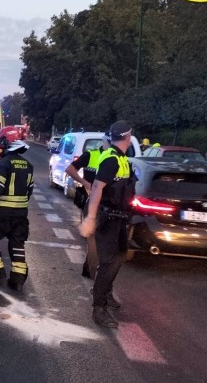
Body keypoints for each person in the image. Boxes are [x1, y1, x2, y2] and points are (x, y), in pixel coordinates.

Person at [79, 120, 136, 329]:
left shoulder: (122, 159)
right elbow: (96, 188)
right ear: (128, 137)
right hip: (108, 217)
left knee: (120, 256)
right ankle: (99, 308)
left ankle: (106, 292)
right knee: (109, 262)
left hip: (119, 216)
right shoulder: (111, 159)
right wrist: (90, 218)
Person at [0, 127, 33, 291]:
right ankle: (17, 280)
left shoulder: (3, 163)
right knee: (17, 243)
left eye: (1, 142)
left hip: (2, 212)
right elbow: (29, 190)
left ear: (6, 142)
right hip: (21, 213)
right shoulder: (28, 165)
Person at [64, 136, 109, 279]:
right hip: (93, 202)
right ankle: (92, 272)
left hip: (107, 203)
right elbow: (70, 169)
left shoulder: (118, 158)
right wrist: (85, 183)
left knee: (95, 239)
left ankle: (89, 269)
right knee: (94, 239)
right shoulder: (91, 154)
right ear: (105, 141)